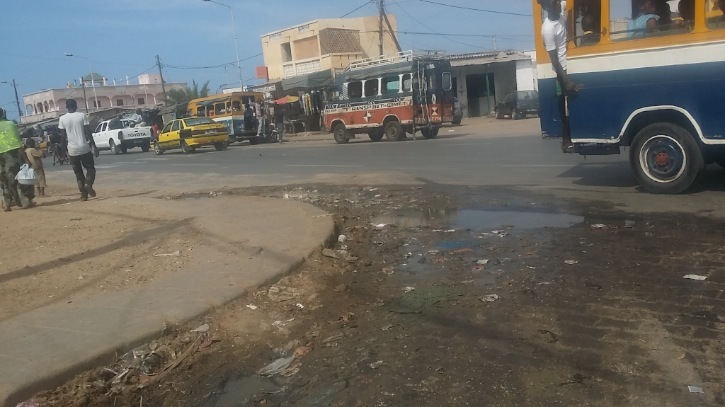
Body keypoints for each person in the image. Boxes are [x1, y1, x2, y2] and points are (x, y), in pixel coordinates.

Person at [538, 0, 582, 153]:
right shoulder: (548, 29)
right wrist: (566, 81)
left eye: (557, 2)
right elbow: (554, 60)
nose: (558, 4)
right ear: (547, 7)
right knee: (564, 107)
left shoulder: (560, 8)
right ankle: (566, 140)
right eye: (554, 3)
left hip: (571, 63)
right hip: (561, 71)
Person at [58, 99, 99, 201]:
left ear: (66, 107)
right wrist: (94, 145)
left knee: (78, 173)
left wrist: (62, 152)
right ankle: (88, 183)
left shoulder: (62, 119)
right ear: (76, 105)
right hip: (84, 147)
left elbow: (63, 137)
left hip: (72, 150)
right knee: (90, 169)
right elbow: (87, 132)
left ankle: (83, 196)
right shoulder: (82, 115)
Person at [0, 107, 34, 211]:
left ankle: (7, 203)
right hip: (12, 154)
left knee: (4, 180)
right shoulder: (10, 124)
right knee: (19, 178)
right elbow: (17, 142)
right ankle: (25, 201)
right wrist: (26, 158)